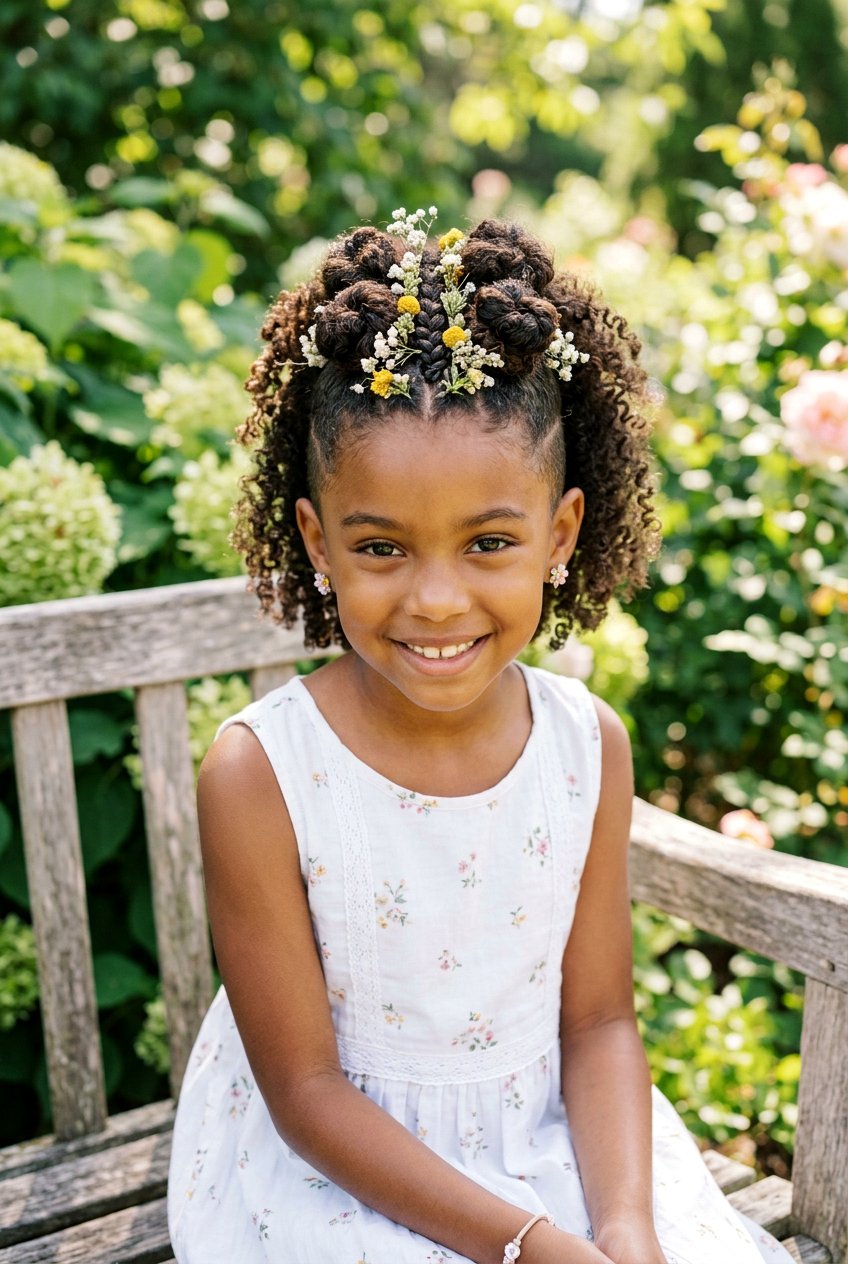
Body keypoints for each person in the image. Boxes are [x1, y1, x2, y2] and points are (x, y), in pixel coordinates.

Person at [167, 209, 793, 1264]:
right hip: (334, 1173)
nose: (438, 599)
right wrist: (525, 1245)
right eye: (380, 546)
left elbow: (595, 1025)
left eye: (490, 541)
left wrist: (626, 1230)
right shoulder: (262, 771)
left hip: (550, 1144)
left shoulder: (582, 745)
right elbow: (306, 1095)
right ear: (316, 539)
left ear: (559, 535)